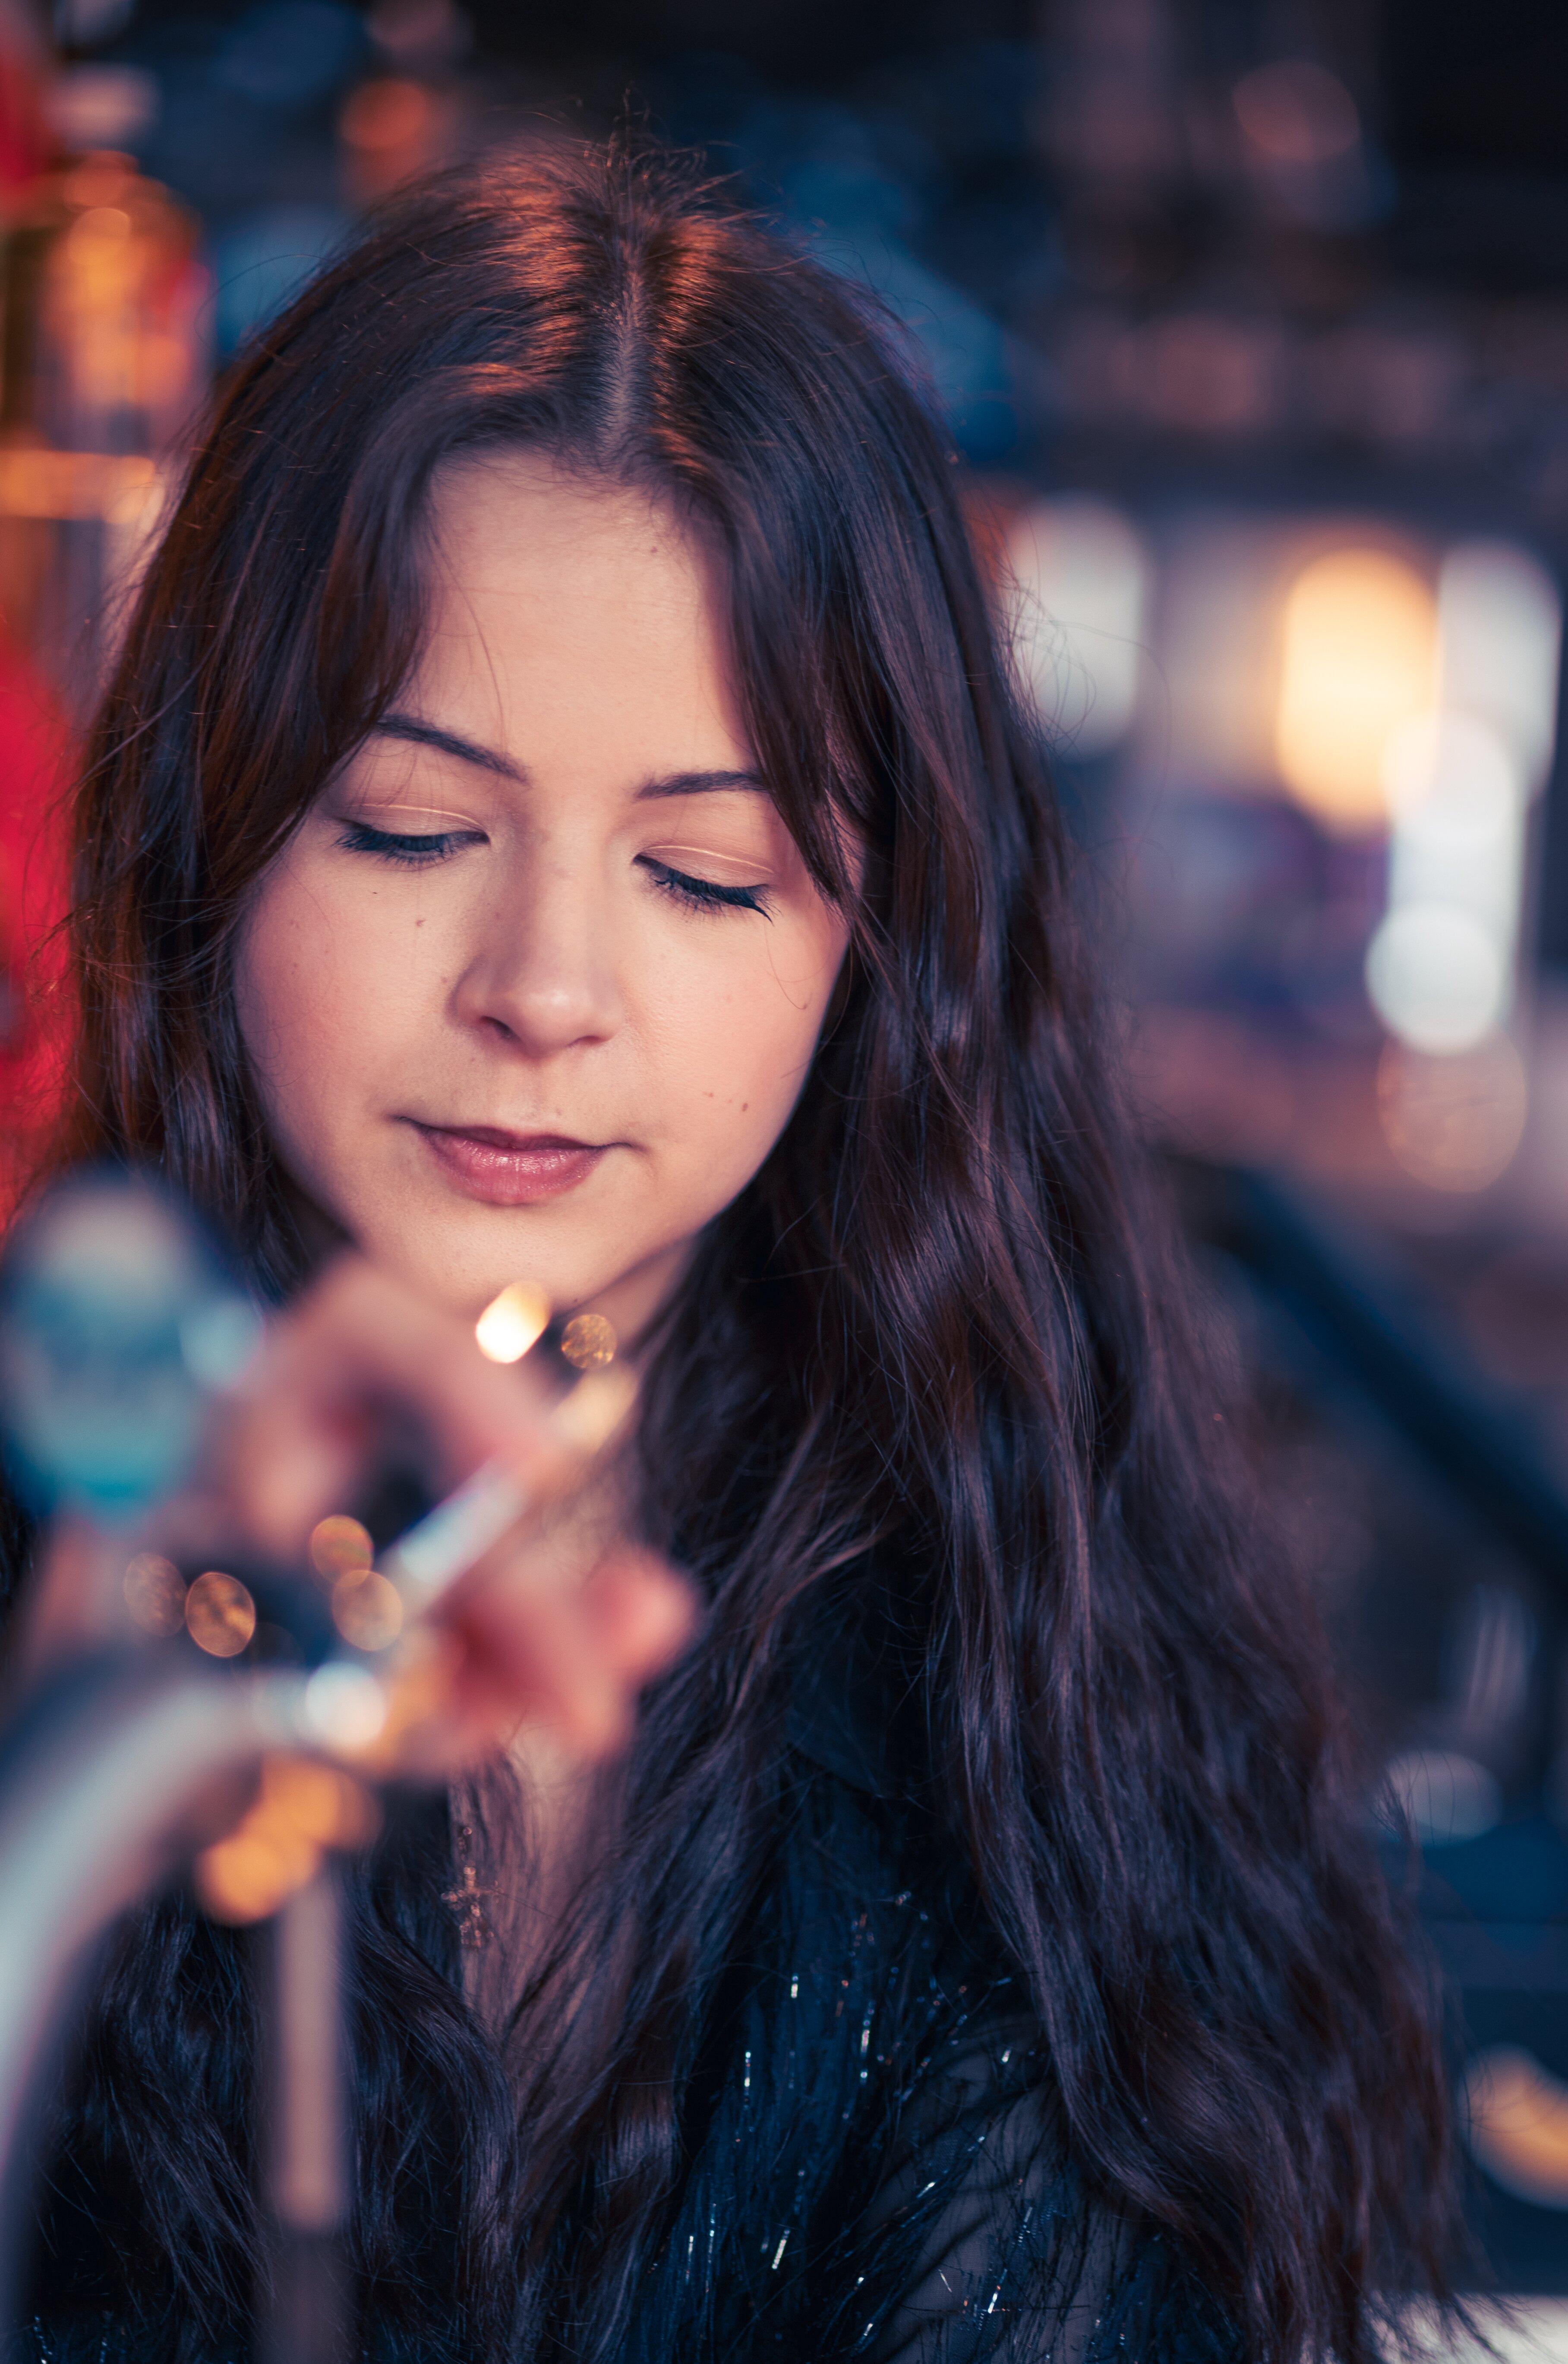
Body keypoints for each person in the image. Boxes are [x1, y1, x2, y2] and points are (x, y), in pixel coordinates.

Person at [1, 141, 1462, 2363]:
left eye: (706, 872)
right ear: (219, 816)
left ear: (879, 946)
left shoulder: (1042, 1690)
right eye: (411, 827)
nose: (546, 987)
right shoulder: (71, 1561)